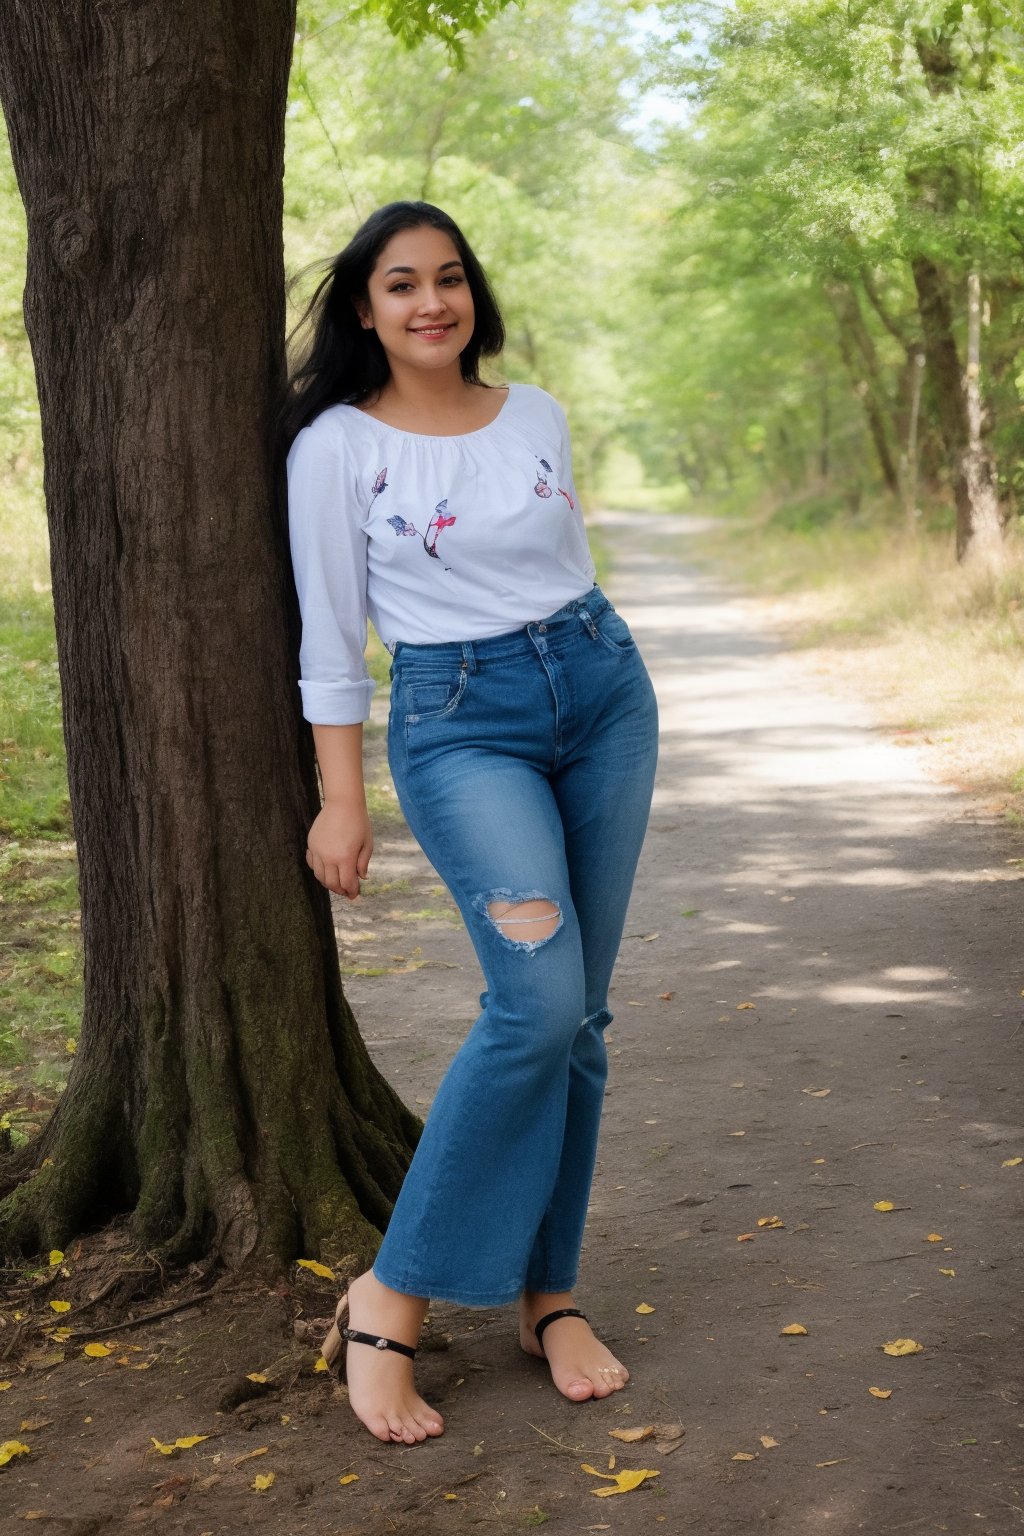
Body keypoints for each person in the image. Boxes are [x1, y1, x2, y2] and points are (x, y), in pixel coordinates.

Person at [283, 200, 659, 1446]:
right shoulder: (337, 446)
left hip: (600, 688)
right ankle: (392, 1294)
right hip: (460, 720)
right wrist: (342, 800)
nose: (430, 302)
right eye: (401, 284)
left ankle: (549, 1295)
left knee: (583, 1020)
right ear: (363, 308)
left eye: (448, 279)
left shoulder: (535, 412)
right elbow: (332, 642)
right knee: (537, 1004)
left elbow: (558, 567)